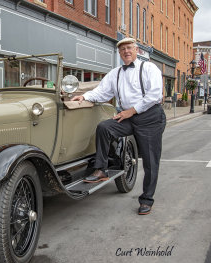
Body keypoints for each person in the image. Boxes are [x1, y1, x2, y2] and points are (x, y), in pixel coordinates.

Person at [71, 37, 166, 215]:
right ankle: (102, 169)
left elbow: (154, 95)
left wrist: (132, 111)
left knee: (150, 162)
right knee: (104, 128)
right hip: (128, 117)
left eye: (129, 48)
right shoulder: (115, 73)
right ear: (119, 53)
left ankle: (147, 199)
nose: (126, 51)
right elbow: (101, 91)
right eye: (122, 50)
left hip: (150, 118)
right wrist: (84, 97)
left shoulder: (149, 68)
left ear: (137, 50)